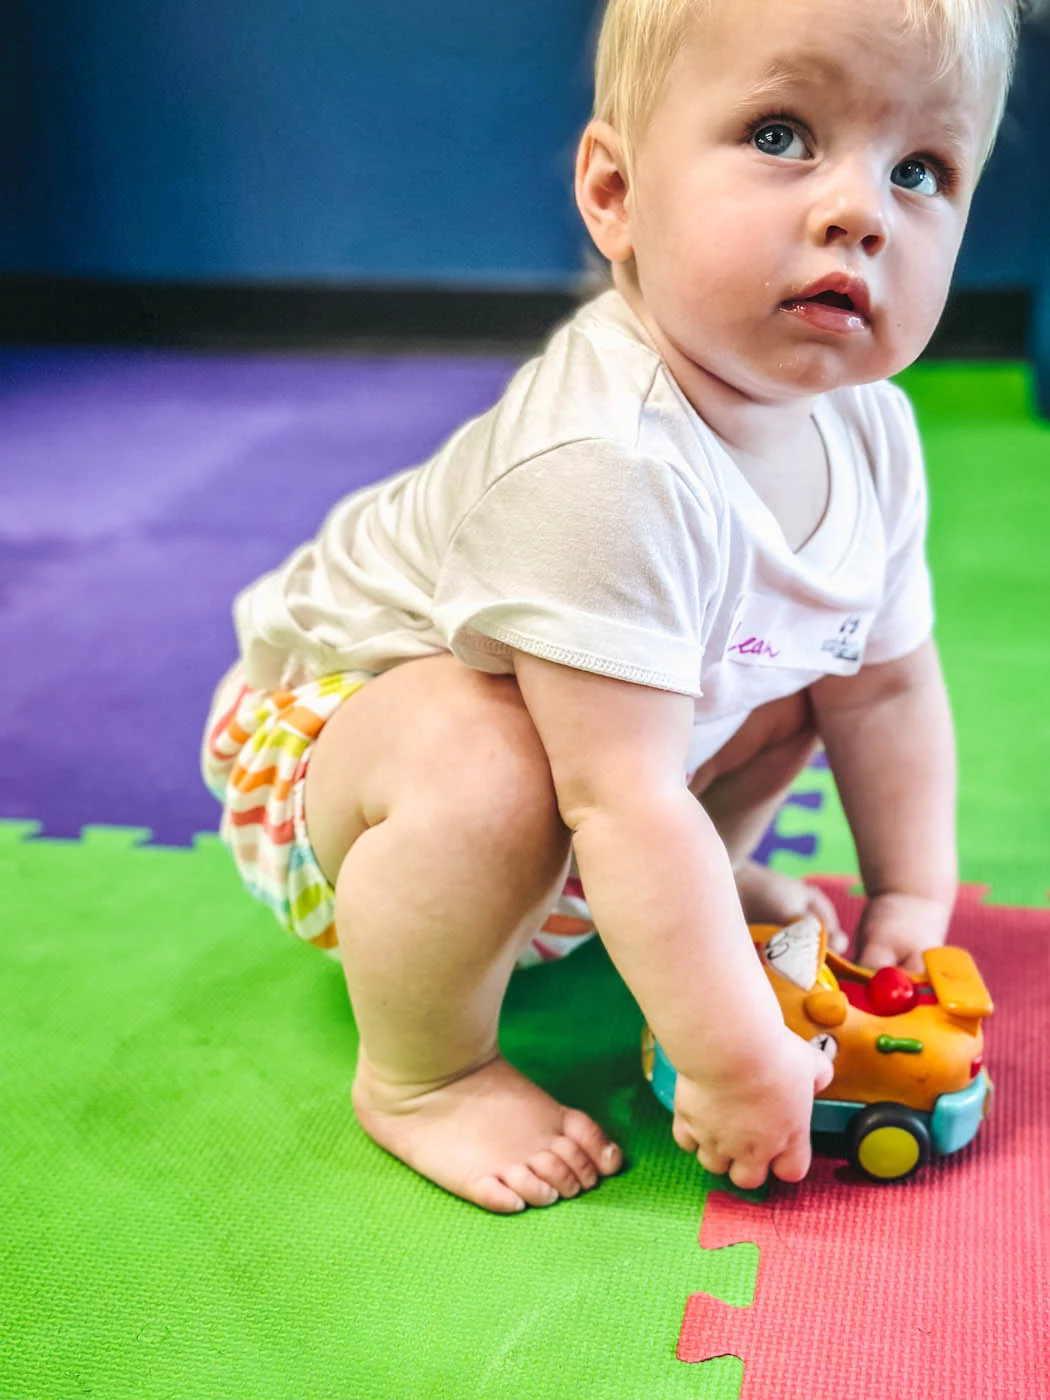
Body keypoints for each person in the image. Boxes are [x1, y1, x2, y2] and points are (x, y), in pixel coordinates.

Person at [202, 0, 1022, 1212]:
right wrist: (732, 1057)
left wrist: (909, 896)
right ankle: (426, 1072)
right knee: (500, 757)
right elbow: (618, 793)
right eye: (782, 135)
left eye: (920, 170)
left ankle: (665, 893)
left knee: (810, 667)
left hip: (598, 774)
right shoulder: (605, 461)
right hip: (326, 759)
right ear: (617, 193)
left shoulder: (874, 433)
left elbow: (889, 688)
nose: (861, 210)